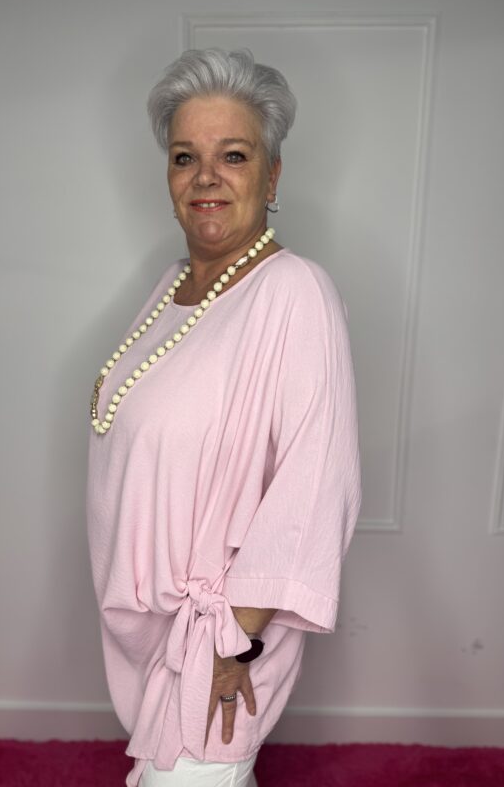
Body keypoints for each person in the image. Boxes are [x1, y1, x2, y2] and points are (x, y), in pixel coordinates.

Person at [86, 48, 361, 787]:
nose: (206, 176)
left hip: (214, 650)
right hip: (153, 638)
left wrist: (234, 644)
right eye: (186, 157)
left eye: (233, 155)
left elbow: (314, 485)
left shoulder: (294, 292)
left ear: (272, 177)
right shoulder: (174, 285)